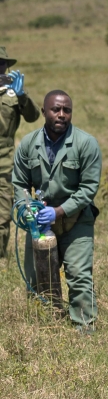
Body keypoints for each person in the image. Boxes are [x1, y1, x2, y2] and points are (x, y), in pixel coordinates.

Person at [13, 90, 102, 332]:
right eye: (55, 109)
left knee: (79, 275)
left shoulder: (86, 143)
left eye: (67, 110)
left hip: (77, 220)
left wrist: (59, 211)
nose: (62, 114)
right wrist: (25, 208)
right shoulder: (28, 144)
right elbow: (20, 183)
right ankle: (45, 328)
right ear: (44, 112)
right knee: (37, 280)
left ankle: (85, 328)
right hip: (40, 223)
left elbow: (89, 188)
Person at [0, 47, 40, 258]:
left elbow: (33, 116)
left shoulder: (13, 93)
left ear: (8, 67)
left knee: (2, 214)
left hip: (4, 162)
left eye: (1, 63)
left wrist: (23, 95)